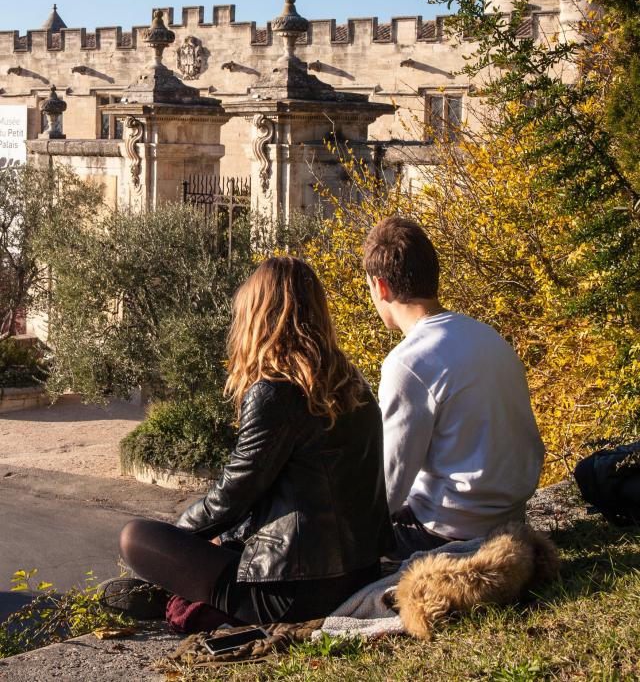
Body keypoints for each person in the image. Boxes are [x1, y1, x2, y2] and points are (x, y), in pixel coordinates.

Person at [110, 256, 393, 625]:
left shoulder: (276, 390)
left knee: (137, 538)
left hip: (293, 592)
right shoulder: (352, 383)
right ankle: (179, 593)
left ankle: (189, 598)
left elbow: (233, 495)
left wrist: (180, 538)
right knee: (204, 542)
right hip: (358, 572)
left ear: (258, 315)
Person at [363, 215, 545, 559]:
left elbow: (387, 487)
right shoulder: (486, 335)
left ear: (381, 286)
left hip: (447, 532)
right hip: (509, 517)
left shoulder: (408, 363)